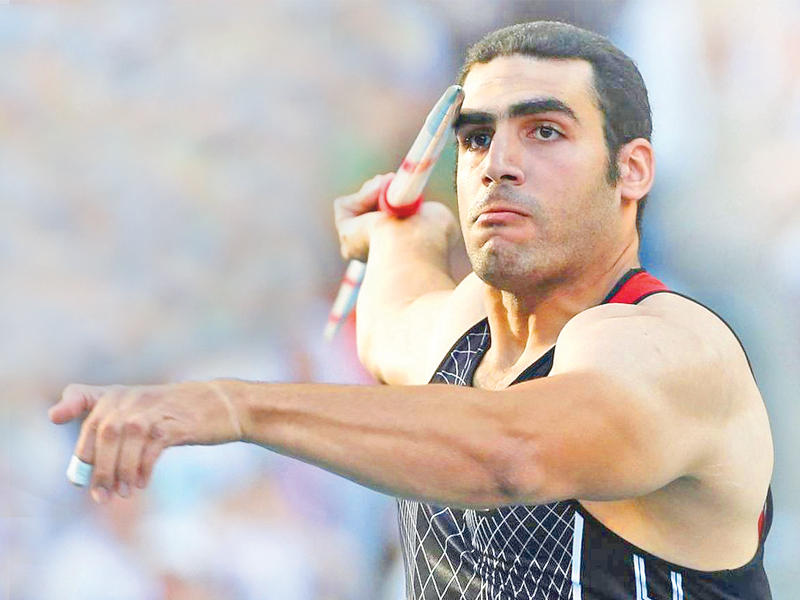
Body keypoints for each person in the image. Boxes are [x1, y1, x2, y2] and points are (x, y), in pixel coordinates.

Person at [50, 21, 773, 600]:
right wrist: (397, 235)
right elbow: (390, 317)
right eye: (477, 137)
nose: (497, 164)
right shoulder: (451, 334)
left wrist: (231, 406)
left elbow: (511, 454)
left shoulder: (673, 350)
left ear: (632, 171)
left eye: (545, 131)